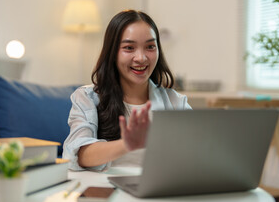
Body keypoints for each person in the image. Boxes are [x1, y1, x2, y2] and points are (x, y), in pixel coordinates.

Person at [62, 10, 192, 171]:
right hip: (104, 189)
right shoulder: (87, 98)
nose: (141, 58)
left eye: (150, 47)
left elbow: (197, 152)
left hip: (157, 190)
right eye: (129, 48)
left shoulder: (176, 102)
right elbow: (79, 154)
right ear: (112, 53)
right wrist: (126, 144)